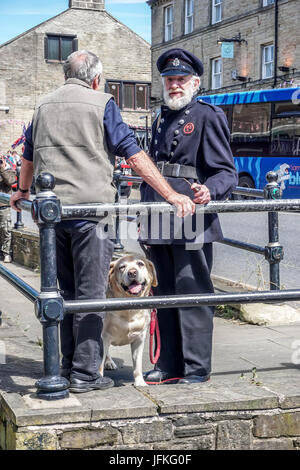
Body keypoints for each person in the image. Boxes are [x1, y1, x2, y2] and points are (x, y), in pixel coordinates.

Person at [10, 50, 195, 393]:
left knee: (61, 293)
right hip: (91, 214)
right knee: (92, 295)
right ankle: (85, 374)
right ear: (96, 78)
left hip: (52, 215)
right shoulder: (102, 102)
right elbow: (133, 154)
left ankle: (64, 366)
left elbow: (28, 156)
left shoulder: (44, 105)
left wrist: (21, 191)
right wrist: (171, 194)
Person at [140, 48, 238, 385]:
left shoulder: (209, 115)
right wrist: (144, 216)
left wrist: (210, 190)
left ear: (195, 82)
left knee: (192, 292)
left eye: (181, 79)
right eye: (169, 79)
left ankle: (197, 368)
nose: (175, 85)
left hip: (192, 216)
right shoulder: (159, 117)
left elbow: (226, 172)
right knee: (164, 293)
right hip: (157, 214)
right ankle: (169, 364)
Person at [0, 155, 16, 263]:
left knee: (5, 229)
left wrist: (2, 169)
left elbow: (10, 182)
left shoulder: (10, 171)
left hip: (4, 206)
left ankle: (6, 253)